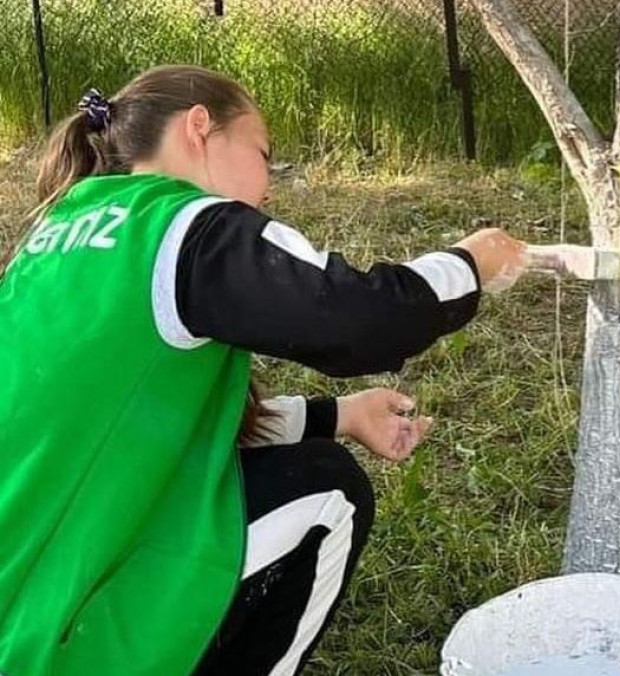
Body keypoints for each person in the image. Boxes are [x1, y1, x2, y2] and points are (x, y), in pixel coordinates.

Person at [0, 65, 527, 675]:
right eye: (262, 154)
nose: (268, 186)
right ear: (200, 128)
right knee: (330, 491)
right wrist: (469, 263)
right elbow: (362, 319)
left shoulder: (55, 231)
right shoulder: (185, 228)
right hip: (46, 628)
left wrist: (342, 415)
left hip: (28, 569)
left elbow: (142, 427)